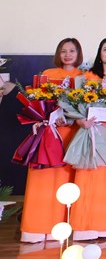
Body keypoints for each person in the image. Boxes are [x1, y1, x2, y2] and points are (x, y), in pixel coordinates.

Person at [19, 38, 81, 243]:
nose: (68, 55)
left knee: (64, 181)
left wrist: (69, 118)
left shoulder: (83, 77)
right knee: (41, 178)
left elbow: (85, 107)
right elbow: (37, 102)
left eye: (72, 51)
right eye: (63, 51)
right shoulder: (47, 74)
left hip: (69, 133)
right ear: (58, 54)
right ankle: (34, 229)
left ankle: (59, 228)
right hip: (47, 132)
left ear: (78, 54)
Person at [71, 37, 106, 241]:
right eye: (105, 49)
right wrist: (80, 120)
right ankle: (83, 226)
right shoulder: (88, 77)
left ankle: (104, 226)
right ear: (99, 53)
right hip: (91, 130)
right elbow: (75, 104)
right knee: (88, 176)